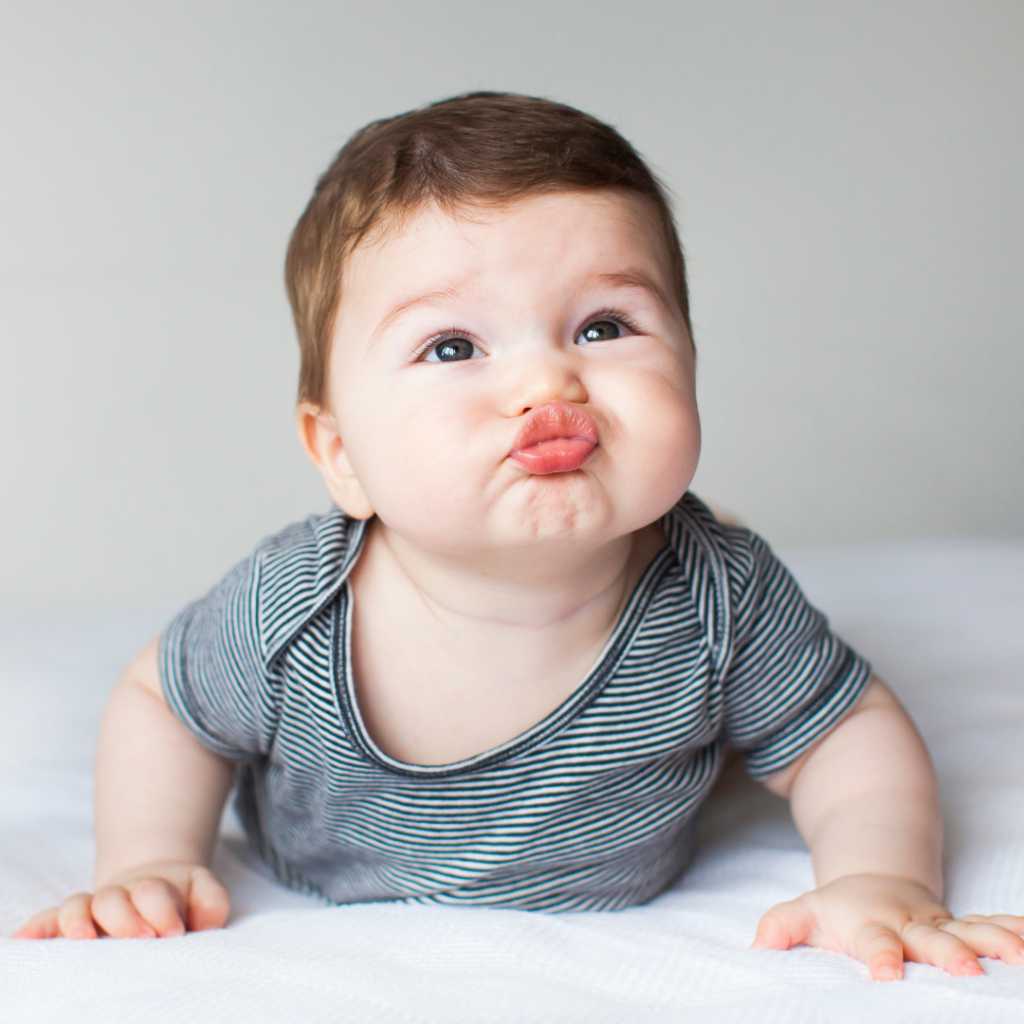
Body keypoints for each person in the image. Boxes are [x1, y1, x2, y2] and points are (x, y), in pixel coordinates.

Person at [17, 93, 1024, 981]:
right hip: (320, 867)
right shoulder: (291, 608)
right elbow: (166, 702)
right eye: (452, 345)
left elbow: (847, 734)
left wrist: (878, 875)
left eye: (603, 327)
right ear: (341, 455)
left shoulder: (720, 594)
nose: (548, 383)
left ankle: (714, 732)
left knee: (763, 673)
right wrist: (147, 858)